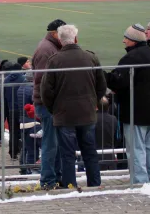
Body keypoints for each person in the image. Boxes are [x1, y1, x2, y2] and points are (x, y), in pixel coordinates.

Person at [41, 24, 106, 188]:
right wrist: (94, 102)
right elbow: (101, 85)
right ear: (76, 39)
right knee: (89, 151)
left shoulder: (54, 61)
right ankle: (94, 183)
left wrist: (53, 109)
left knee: (67, 154)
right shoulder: (90, 57)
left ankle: (70, 185)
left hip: (64, 115)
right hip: (87, 113)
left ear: (61, 41)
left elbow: (46, 91)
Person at [106, 24, 150, 183]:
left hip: (135, 112)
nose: (123, 41)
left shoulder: (131, 58)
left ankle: (140, 182)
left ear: (133, 40)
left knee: (136, 149)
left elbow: (118, 82)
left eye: (126, 38)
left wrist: (103, 76)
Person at [32, 18, 66, 189]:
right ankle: (48, 180)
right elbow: (44, 81)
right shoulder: (47, 50)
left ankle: (55, 178)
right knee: (50, 143)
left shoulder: (51, 47)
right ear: (55, 33)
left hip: (50, 103)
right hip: (48, 104)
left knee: (55, 143)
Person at [17, 70, 40, 175]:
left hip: (23, 119)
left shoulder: (21, 88)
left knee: (26, 145)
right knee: (31, 147)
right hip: (31, 120)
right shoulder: (31, 89)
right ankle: (30, 168)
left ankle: (23, 166)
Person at [3, 63, 25, 159]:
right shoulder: (23, 79)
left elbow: (2, 94)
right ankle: (24, 152)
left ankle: (13, 152)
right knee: (25, 131)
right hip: (21, 109)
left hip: (11, 108)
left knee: (13, 131)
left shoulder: (6, 79)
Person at [95, 96, 119, 171]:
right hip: (110, 155)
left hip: (95, 154)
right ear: (108, 107)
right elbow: (117, 137)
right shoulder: (114, 119)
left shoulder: (93, 118)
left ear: (96, 107)